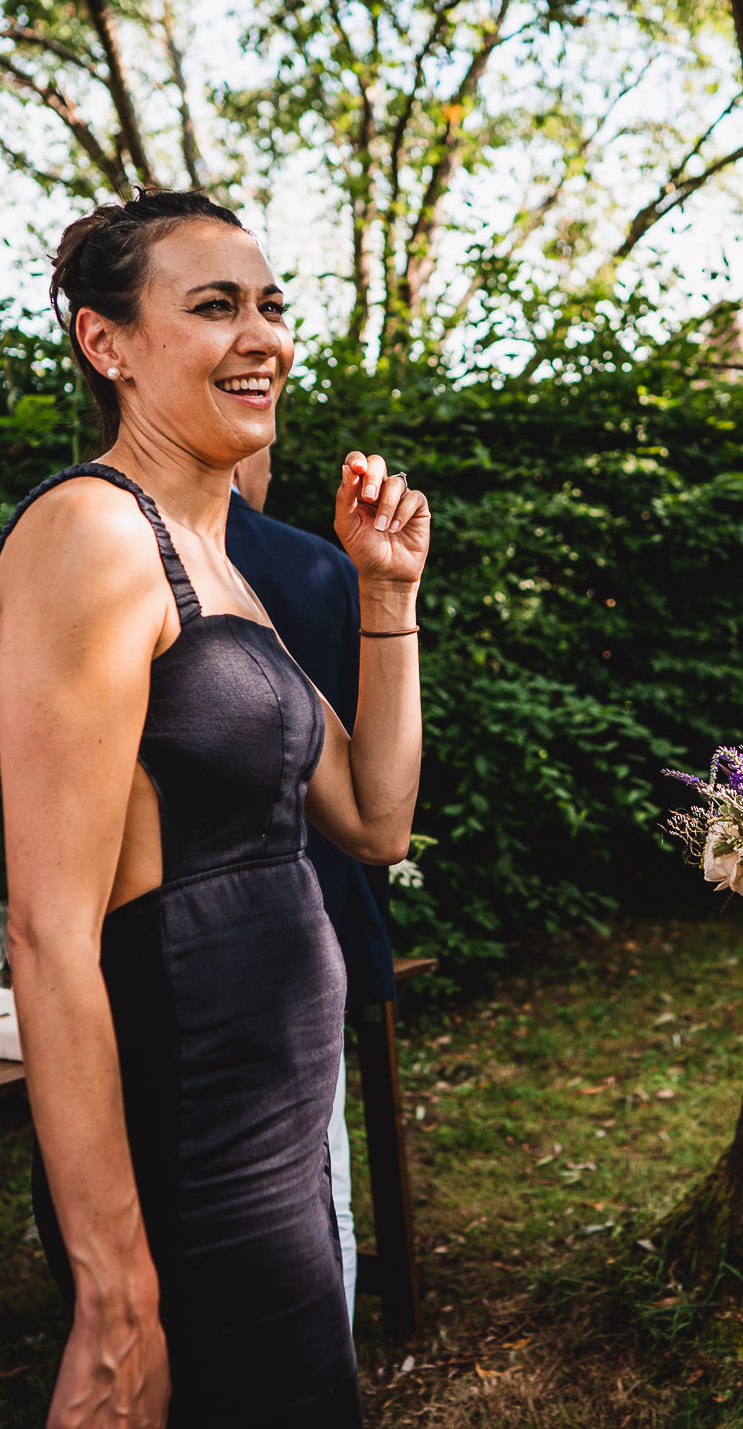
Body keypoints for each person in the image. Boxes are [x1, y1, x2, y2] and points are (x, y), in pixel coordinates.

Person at [0, 188, 427, 1427]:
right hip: (194, 1139)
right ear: (104, 342)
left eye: (272, 305)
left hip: (280, 1139)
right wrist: (113, 1289)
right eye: (215, 306)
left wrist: (388, 599)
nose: (263, 335)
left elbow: (376, 817)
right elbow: (49, 934)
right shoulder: (91, 535)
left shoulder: (216, 552)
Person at [226, 438, 398, 1321]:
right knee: (311, 1201)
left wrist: (393, 595)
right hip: (301, 920)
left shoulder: (334, 565)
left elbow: (379, 808)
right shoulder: (304, 564)